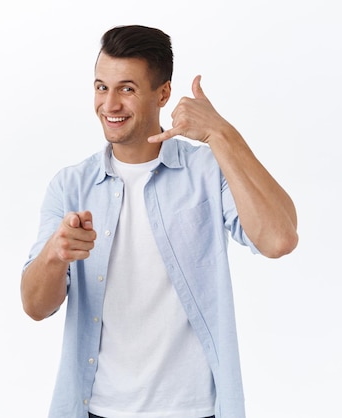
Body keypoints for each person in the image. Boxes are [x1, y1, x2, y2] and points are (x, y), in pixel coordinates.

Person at [21, 25, 298, 418]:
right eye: (102, 87)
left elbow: (279, 238)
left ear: (163, 93)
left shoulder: (206, 171)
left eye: (127, 89)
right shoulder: (71, 186)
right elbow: (34, 306)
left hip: (194, 410)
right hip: (97, 409)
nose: (110, 104)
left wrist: (220, 133)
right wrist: (55, 253)